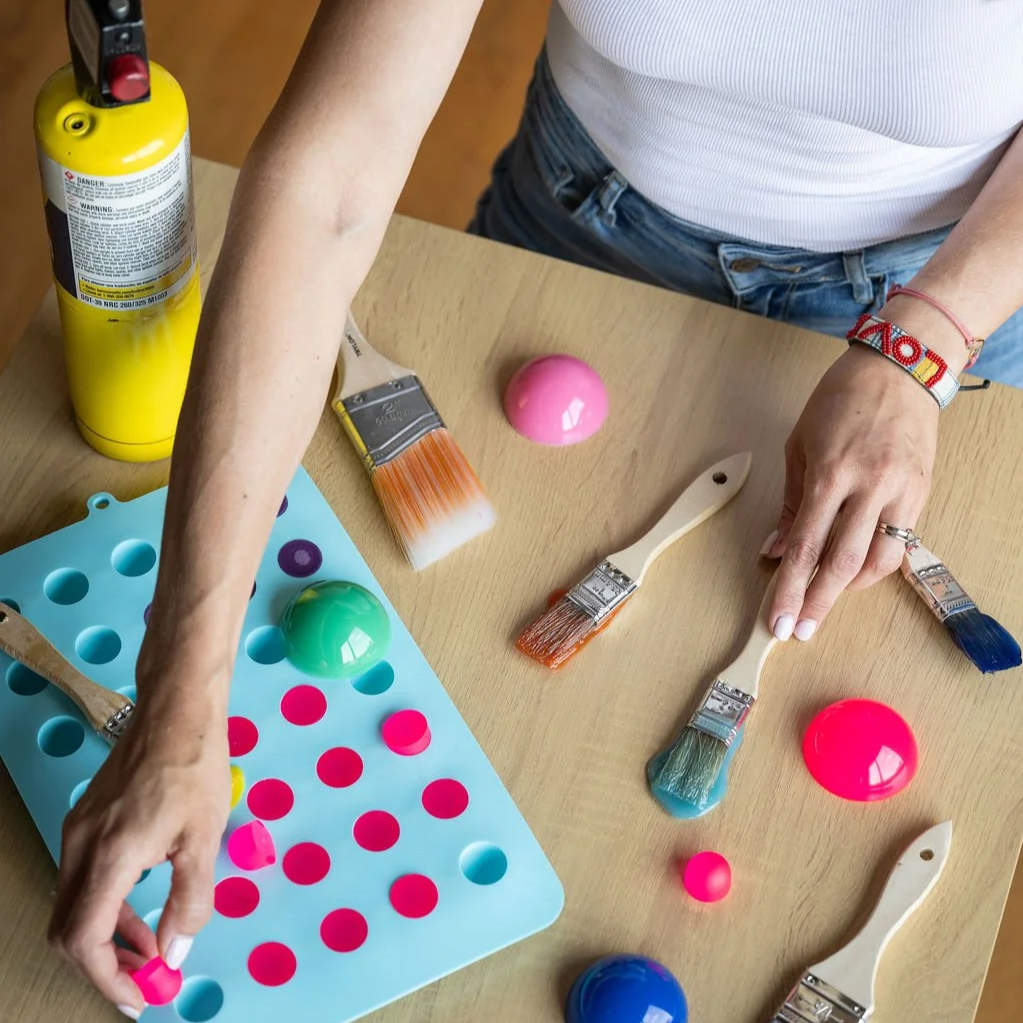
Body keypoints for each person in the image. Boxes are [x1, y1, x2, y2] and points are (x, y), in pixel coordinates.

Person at [47, 0, 1023, 1015]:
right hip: (584, 221)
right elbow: (325, 185)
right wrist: (179, 696)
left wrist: (925, 344)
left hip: (954, 290)